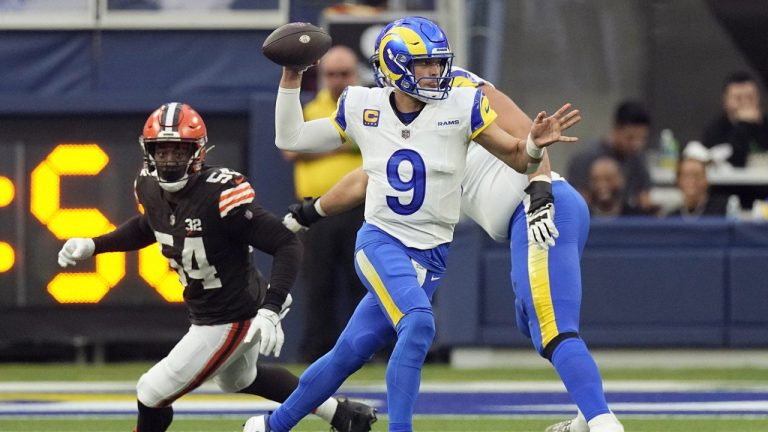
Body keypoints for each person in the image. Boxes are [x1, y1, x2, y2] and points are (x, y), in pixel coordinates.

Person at [244, 16, 583, 432]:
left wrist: (533, 143)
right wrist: (292, 76)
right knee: (419, 324)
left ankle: (270, 426)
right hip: (382, 242)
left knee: (349, 351)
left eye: (438, 63)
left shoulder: (461, 105)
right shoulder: (363, 106)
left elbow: (516, 157)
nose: (434, 72)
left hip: (432, 254)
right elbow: (291, 139)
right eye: (423, 64)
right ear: (395, 65)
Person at [55, 102, 376, 432]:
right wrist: (96, 244)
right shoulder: (148, 186)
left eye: (178, 152)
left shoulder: (220, 193)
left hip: (230, 315)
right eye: (161, 151)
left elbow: (286, 242)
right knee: (240, 379)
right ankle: (342, 415)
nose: (168, 160)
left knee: (151, 392)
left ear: (198, 152)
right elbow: (150, 225)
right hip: (215, 308)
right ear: (147, 151)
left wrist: (271, 307)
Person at [282, 45, 368, 363]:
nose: (338, 80)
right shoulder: (312, 108)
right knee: (318, 284)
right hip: (316, 210)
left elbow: (379, 142)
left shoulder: (368, 106)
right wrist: (344, 144)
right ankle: (318, 351)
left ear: (355, 74)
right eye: (332, 74)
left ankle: (371, 349)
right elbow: (291, 150)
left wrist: (320, 144)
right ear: (322, 77)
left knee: (364, 280)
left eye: (344, 73)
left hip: (360, 208)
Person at [567, 100, 652, 213]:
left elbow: (644, 199)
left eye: (642, 139)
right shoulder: (585, 158)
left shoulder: (638, 160)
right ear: (616, 129)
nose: (636, 144)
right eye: (630, 138)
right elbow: (575, 204)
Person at [701, 71, 768, 167]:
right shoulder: (715, 131)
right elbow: (733, 160)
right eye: (738, 98)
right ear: (726, 101)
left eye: (750, 97)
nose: (745, 102)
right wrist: (744, 124)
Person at [665, 143, 728, 218]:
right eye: (686, 176)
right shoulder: (671, 217)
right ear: (678, 180)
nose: (691, 181)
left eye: (696, 175)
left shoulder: (723, 211)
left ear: (706, 180)